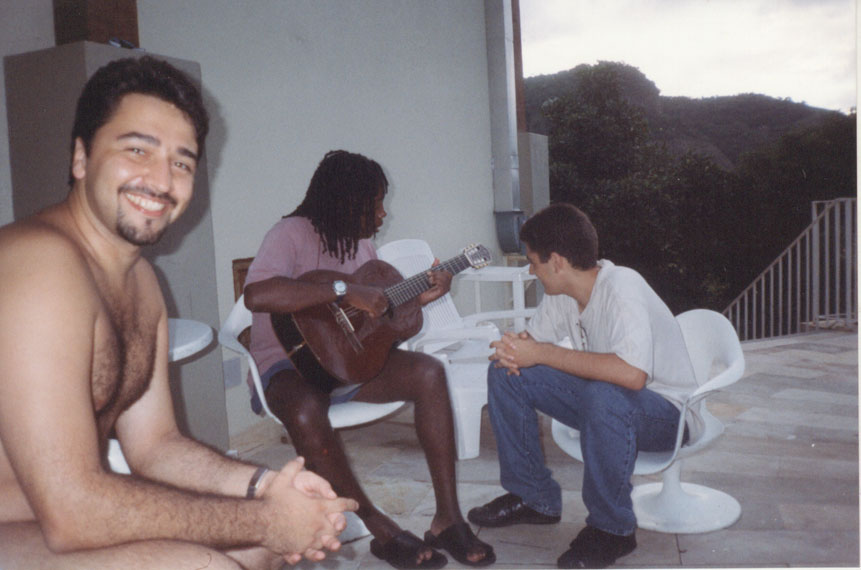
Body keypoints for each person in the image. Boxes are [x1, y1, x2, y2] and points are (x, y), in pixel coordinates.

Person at [0, 56, 359, 570]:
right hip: (35, 521)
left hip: (46, 517)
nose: (161, 179)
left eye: (182, 163)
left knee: (261, 550)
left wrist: (265, 486)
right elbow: (72, 511)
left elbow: (156, 446)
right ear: (81, 157)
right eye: (138, 150)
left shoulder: (142, 282)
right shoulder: (37, 264)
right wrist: (265, 519)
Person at [242, 149, 496, 569]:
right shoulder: (290, 234)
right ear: (345, 202)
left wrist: (422, 297)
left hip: (348, 363)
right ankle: (380, 528)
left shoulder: (361, 246)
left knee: (430, 372)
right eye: (375, 203)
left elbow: (379, 316)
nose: (382, 214)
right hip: (289, 363)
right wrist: (342, 290)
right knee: (304, 409)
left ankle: (447, 519)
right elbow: (257, 295)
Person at [467, 203, 701, 569]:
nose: (531, 270)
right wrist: (513, 350)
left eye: (533, 262)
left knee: (603, 393)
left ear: (557, 261)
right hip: (605, 403)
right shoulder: (562, 296)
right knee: (505, 374)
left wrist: (541, 353)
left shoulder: (621, 286)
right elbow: (534, 343)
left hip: (670, 415)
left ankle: (613, 529)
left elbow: (632, 375)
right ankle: (533, 498)